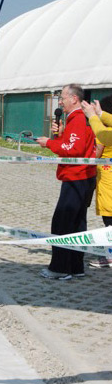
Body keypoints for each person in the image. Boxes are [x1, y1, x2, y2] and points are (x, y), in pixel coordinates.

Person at [36, 84, 96, 280]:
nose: (60, 102)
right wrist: (61, 134)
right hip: (83, 177)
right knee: (77, 224)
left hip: (76, 177)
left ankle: (60, 268)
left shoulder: (78, 118)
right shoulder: (78, 119)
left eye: (62, 98)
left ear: (74, 99)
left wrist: (49, 143)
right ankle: (76, 267)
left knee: (62, 224)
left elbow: (74, 149)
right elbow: (73, 143)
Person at [82, 96, 112, 267]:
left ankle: (109, 256)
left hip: (108, 180)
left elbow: (101, 139)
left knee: (109, 218)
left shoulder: (105, 132)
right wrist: (100, 113)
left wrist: (93, 116)